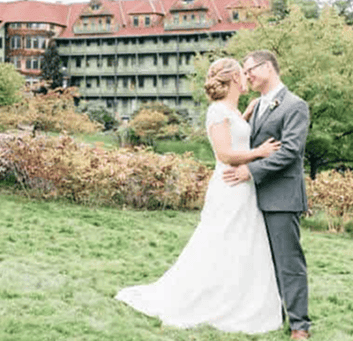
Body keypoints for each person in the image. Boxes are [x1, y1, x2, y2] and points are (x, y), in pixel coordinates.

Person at [115, 58, 283, 334]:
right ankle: (208, 296)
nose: (247, 77)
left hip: (243, 189)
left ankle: (238, 296)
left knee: (241, 242)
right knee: (220, 240)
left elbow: (235, 135)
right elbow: (225, 154)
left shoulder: (232, 110)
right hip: (229, 186)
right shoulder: (217, 111)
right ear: (232, 79)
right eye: (242, 74)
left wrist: (247, 116)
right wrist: (259, 152)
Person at [223, 50, 312, 340]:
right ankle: (272, 314)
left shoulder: (295, 105)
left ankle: (300, 326)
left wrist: (250, 170)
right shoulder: (257, 104)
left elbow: (290, 151)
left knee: (288, 262)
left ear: (268, 67)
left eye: (249, 70)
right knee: (263, 261)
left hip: (282, 196)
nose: (246, 76)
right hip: (253, 198)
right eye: (245, 72)